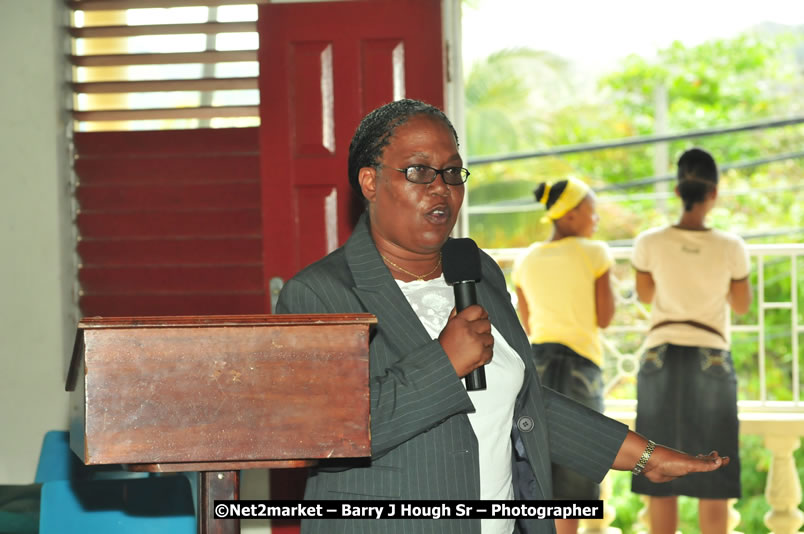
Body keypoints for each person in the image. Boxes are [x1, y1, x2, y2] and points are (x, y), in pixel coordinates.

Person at [276, 99, 730, 534]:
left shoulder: (478, 272)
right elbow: (321, 436)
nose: (441, 187)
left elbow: (526, 404)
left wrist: (647, 456)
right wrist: (444, 363)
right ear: (370, 182)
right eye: (419, 171)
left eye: (452, 172)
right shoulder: (321, 293)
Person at [630, 147, 751, 534]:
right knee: (714, 477)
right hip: (711, 354)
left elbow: (647, 295)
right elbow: (743, 305)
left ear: (678, 191)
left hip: (660, 356)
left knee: (659, 471)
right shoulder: (731, 246)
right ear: (713, 193)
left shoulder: (649, 242)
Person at [511, 177, 615, 534]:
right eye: (592, 209)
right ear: (570, 215)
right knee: (574, 466)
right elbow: (605, 317)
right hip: (580, 366)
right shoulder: (595, 252)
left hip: (535, 367)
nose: (596, 217)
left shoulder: (526, 259)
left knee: (539, 464)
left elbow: (526, 322)